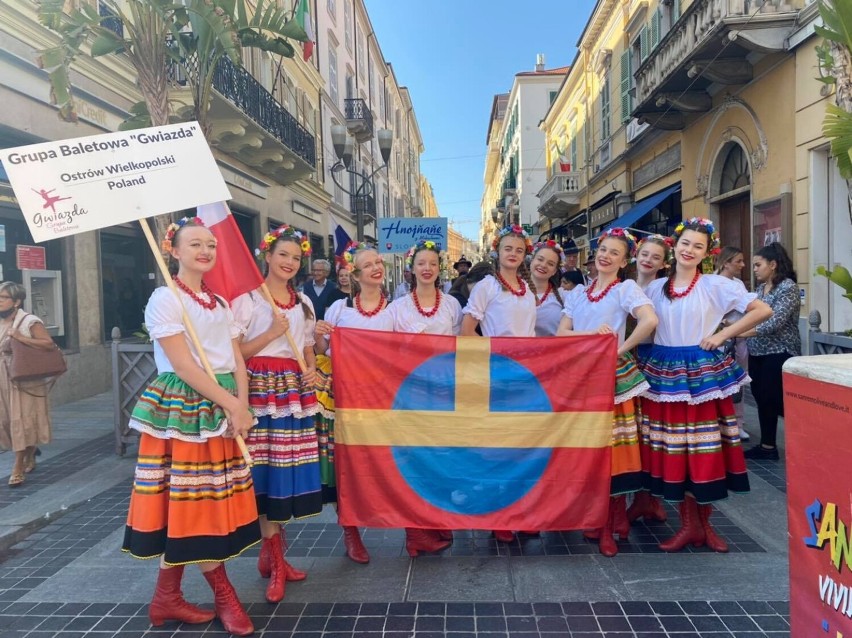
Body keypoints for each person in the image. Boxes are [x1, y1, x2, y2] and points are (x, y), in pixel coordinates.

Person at [122, 217, 258, 636]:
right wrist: (232, 404)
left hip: (222, 404)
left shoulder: (219, 302)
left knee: (202, 503)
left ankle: (166, 597)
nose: (205, 251)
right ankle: (222, 595)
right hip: (186, 409)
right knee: (195, 505)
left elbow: (236, 359)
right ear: (174, 251)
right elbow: (182, 365)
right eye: (195, 244)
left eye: (210, 245)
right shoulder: (164, 298)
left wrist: (244, 405)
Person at [639, 218, 772, 553]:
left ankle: (702, 526)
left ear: (706, 253)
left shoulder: (716, 285)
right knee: (675, 448)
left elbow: (762, 310)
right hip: (665, 372)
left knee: (703, 448)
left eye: (698, 246)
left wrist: (722, 335)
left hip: (700, 372)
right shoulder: (655, 287)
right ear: (675, 245)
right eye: (685, 243)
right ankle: (688, 525)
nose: (689, 250)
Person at [557, 228, 658, 556]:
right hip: (581, 373)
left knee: (613, 449)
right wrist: (589, 336)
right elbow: (561, 334)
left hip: (612, 376)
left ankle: (612, 518)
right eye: (603, 249)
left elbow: (649, 320)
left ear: (624, 260)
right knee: (588, 448)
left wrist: (618, 348)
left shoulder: (625, 288)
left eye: (614, 252)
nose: (606, 256)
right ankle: (597, 515)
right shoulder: (578, 293)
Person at [233, 225, 320, 603]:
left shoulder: (304, 303)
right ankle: (275, 560)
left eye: (295, 257)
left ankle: (274, 557)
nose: (289, 262)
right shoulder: (248, 301)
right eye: (282, 255)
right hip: (258, 391)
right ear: (267, 257)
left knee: (285, 475)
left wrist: (312, 370)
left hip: (292, 393)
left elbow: (307, 346)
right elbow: (236, 353)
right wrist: (270, 333)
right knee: (264, 474)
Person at [314, 242, 395, 564]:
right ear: (356, 274)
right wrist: (320, 334)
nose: (377, 267)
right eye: (369, 264)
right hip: (343, 399)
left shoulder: (395, 310)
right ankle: (350, 529)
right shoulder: (338, 310)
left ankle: (405, 522)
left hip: (379, 398)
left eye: (379, 262)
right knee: (344, 466)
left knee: (375, 464)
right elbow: (321, 351)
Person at [462, 225, 537, 543]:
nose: (513, 254)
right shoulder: (487, 286)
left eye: (519, 250)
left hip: (525, 376)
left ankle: (520, 510)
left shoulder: (527, 288)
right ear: (497, 251)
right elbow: (467, 332)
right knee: (497, 448)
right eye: (508, 248)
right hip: (498, 375)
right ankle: (499, 515)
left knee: (522, 448)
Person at [387, 239, 461, 555]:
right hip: (412, 390)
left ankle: (435, 517)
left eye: (432, 263)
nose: (427, 268)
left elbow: (462, 345)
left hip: (444, 388)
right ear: (411, 269)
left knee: (441, 455)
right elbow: (382, 347)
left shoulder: (452, 305)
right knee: (415, 458)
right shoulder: (398, 308)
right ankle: (415, 530)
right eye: (421, 263)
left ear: (439, 268)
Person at [627, 233, 673, 525]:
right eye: (645, 254)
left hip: (654, 360)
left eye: (656, 257)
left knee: (651, 429)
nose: (648, 260)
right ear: (636, 254)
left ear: (664, 264)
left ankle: (650, 497)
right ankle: (634, 498)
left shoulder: (664, 289)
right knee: (630, 430)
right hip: (627, 360)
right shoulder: (623, 285)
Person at [742, 242, 801, 460]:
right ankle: (767, 446)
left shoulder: (788, 287)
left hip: (779, 351)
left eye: (758, 265)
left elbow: (774, 322)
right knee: (761, 398)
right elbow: (749, 316)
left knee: (775, 399)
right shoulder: (759, 290)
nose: (754, 269)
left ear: (773, 264)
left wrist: (739, 333)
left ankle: (806, 440)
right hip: (758, 352)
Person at [0, 282, 55, 487]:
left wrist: (21, 338)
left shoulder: (29, 321)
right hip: (3, 377)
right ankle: (30, 451)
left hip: (24, 377)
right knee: (6, 420)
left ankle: (17, 466)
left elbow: (48, 343)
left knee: (20, 419)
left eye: (3, 298)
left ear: (16, 302)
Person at [714, 246, 751, 442]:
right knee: (719, 382)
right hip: (719, 339)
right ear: (726, 262)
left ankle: (738, 423)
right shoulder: (710, 282)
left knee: (739, 381)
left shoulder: (738, 283)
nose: (743, 265)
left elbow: (747, 310)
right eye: (738, 261)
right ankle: (719, 422)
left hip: (740, 340)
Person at [529, 239, 564, 337]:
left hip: (554, 351)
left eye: (550, 264)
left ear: (554, 271)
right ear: (532, 261)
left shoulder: (563, 297)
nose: (543, 265)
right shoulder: (514, 292)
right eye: (540, 259)